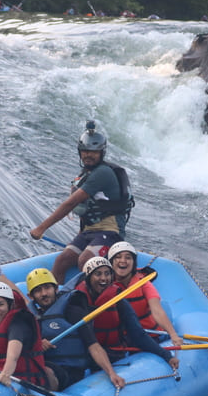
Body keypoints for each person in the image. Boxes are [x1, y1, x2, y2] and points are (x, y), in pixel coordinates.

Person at [30, 120, 135, 283]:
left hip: (111, 232)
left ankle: (89, 303)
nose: (88, 155)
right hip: (89, 232)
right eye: (85, 151)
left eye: (94, 152)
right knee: (61, 261)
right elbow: (86, 210)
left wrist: (41, 228)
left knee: (86, 261)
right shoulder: (84, 175)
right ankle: (58, 304)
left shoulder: (103, 173)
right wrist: (80, 234)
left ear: (102, 153)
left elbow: (70, 203)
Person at [26, 268, 126, 390]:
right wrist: (36, 346)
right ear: (31, 296)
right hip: (43, 364)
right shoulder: (28, 318)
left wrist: (111, 373)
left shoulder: (72, 311)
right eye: (38, 291)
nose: (44, 293)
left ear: (56, 288)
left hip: (70, 371)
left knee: (44, 371)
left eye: (47, 287)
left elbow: (93, 345)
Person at [75, 257, 179, 370]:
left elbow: (138, 334)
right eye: (98, 274)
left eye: (107, 274)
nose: (104, 278)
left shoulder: (119, 301)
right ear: (88, 278)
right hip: (85, 352)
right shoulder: (77, 301)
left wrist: (167, 356)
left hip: (113, 353)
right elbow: (90, 341)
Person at [107, 241, 184, 347]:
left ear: (134, 263)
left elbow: (157, 310)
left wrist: (173, 334)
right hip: (122, 336)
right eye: (118, 257)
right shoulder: (104, 284)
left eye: (128, 258)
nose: (123, 261)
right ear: (111, 262)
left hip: (149, 335)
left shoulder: (143, 283)